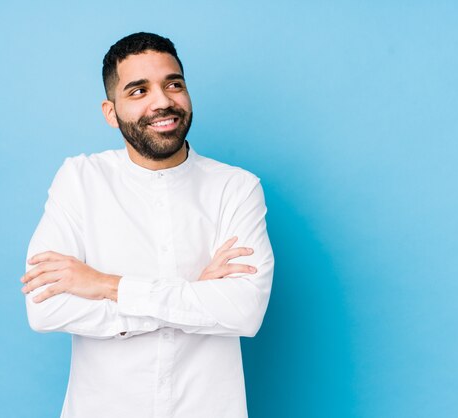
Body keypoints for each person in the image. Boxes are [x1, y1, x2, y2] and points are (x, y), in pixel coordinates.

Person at [20, 32, 274, 418]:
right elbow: (45, 309)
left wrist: (107, 286)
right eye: (138, 91)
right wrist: (194, 296)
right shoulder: (79, 179)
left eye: (174, 84)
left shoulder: (236, 188)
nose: (163, 101)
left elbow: (243, 311)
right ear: (111, 112)